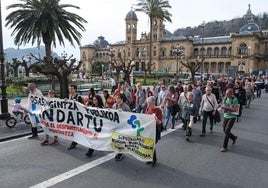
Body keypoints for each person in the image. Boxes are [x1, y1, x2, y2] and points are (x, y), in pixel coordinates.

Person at [112, 93, 131, 161]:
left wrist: (123, 113)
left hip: (123, 126)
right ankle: (118, 151)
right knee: (117, 139)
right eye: (116, 98)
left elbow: (129, 116)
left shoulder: (126, 107)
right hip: (116, 126)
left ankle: (121, 153)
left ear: (122, 99)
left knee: (122, 139)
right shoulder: (114, 105)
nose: (117, 99)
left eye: (118, 98)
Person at [145, 96, 163, 167]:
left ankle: (154, 159)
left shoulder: (158, 110)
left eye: (150, 104)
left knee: (152, 144)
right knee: (149, 144)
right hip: (149, 129)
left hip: (155, 129)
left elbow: (160, 122)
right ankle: (150, 158)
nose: (148, 105)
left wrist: (157, 120)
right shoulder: (148, 108)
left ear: (153, 103)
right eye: (148, 104)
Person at [67, 84, 85, 150]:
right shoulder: (70, 97)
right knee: (74, 130)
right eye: (70, 89)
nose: (70, 90)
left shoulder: (79, 97)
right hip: (72, 116)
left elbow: (83, 107)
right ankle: (75, 142)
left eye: (71, 89)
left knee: (77, 130)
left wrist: (76, 103)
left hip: (78, 117)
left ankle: (74, 143)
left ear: (75, 89)